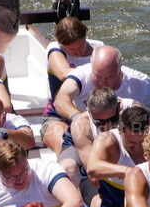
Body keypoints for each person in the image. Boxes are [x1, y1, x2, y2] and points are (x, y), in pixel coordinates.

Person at [53, 45, 150, 125]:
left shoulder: (138, 81)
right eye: (98, 76)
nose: (102, 82)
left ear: (119, 71)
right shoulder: (81, 75)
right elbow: (61, 100)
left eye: (109, 77)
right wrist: (79, 119)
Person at [40, 17, 105, 154]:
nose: (78, 52)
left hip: (97, 116)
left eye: (81, 46)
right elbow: (63, 74)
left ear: (86, 36)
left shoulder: (99, 48)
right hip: (58, 117)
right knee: (69, 150)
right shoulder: (55, 49)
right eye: (72, 49)